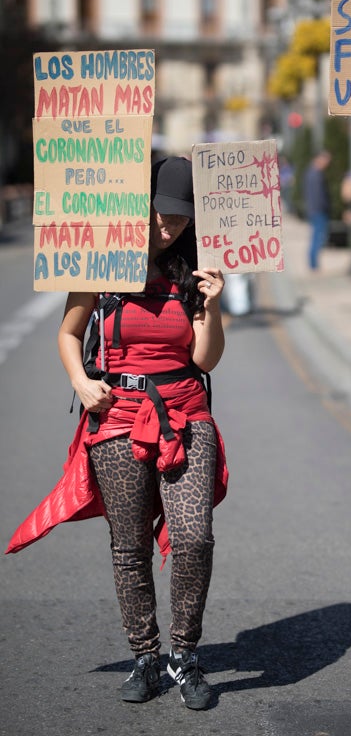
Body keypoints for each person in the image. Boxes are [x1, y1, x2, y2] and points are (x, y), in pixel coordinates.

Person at [7, 155, 229, 710]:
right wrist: (82, 383)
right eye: (160, 211)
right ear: (139, 205)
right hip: (117, 415)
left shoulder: (195, 271)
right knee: (128, 546)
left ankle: (185, 654)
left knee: (194, 538)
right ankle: (146, 656)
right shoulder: (101, 262)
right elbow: (68, 334)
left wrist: (213, 305)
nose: (168, 223)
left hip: (185, 412)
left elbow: (206, 359)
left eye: (180, 215)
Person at [303, 149, 332, 270]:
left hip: (315, 210)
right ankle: (313, 263)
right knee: (317, 237)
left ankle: (313, 263)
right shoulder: (315, 174)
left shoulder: (312, 172)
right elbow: (318, 196)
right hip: (318, 211)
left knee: (316, 236)